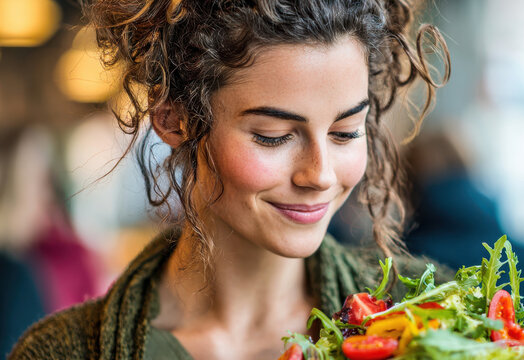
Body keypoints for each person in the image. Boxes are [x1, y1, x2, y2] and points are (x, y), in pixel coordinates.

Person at [9, 0, 450, 359]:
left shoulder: (441, 320)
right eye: (273, 137)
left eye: (345, 133)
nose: (321, 174)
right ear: (174, 119)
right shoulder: (60, 352)